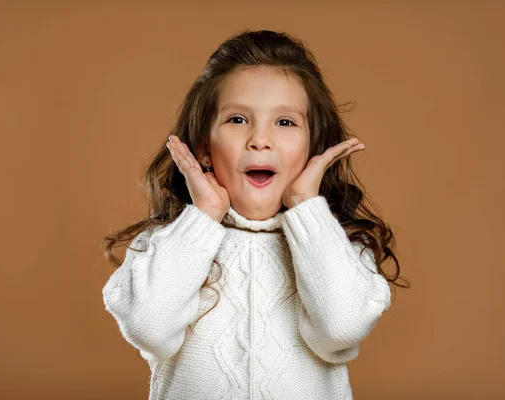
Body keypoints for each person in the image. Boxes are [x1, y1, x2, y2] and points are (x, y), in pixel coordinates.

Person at [101, 29, 409, 400]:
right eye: (237, 120)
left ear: (314, 149)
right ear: (203, 147)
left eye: (285, 122)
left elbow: (340, 329)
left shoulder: (340, 246)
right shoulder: (167, 244)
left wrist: (307, 208)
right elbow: (149, 327)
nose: (260, 140)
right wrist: (203, 215)